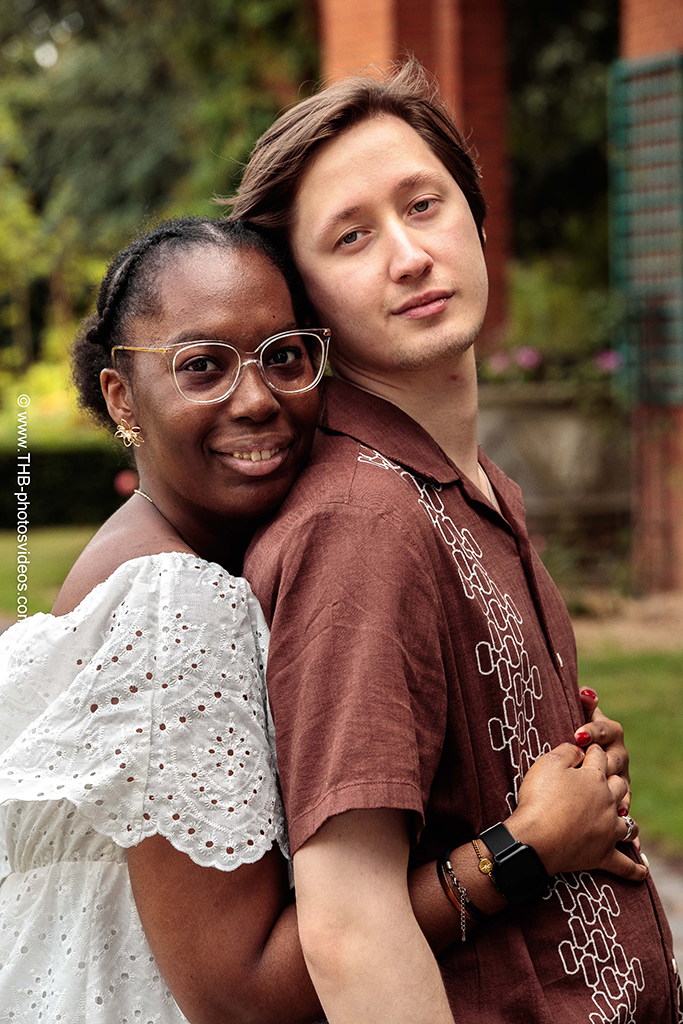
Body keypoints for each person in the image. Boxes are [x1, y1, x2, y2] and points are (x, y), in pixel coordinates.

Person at [0, 215, 630, 1024]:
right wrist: (523, 849)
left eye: (284, 357)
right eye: (202, 367)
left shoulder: (207, 556)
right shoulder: (172, 602)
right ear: (121, 396)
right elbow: (240, 995)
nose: (256, 398)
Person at [230, 61, 680, 1022]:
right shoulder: (361, 520)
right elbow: (347, 924)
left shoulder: (473, 488)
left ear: (476, 222)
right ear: (303, 307)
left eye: (423, 205)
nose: (406, 255)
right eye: (351, 238)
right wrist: (527, 846)